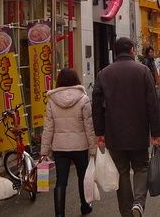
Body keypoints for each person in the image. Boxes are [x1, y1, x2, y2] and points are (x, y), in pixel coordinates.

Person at [92, 37, 160, 217]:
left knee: (122, 171)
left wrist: (99, 132)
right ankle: (138, 203)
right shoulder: (143, 71)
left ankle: (126, 211)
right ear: (132, 49)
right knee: (141, 166)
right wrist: (156, 132)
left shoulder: (103, 74)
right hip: (139, 130)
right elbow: (152, 104)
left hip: (114, 131)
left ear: (115, 52)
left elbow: (96, 106)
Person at [41, 69, 97, 217]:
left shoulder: (52, 100)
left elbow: (48, 128)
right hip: (80, 146)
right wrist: (93, 148)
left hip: (59, 147)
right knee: (82, 177)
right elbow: (89, 127)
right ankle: (85, 206)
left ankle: (59, 214)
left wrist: (44, 151)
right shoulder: (83, 99)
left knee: (61, 181)